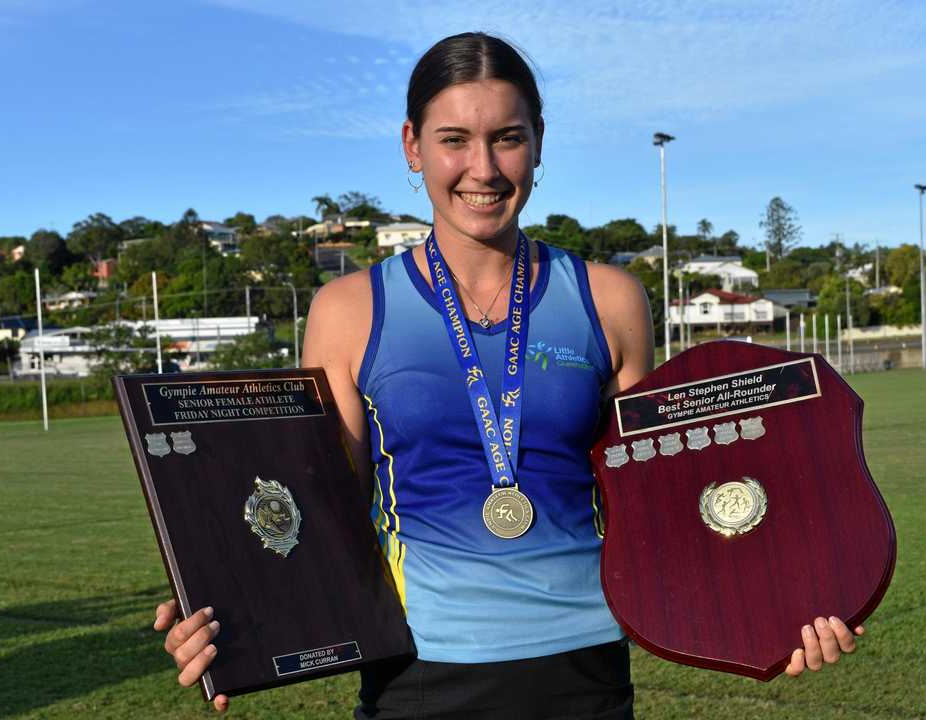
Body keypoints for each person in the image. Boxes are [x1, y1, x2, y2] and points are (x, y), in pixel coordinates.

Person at [154, 32, 864, 717]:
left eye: (508, 137)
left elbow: (659, 502)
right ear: (413, 147)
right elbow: (325, 515)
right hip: (418, 676)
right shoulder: (349, 310)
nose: (484, 169)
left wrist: (788, 599)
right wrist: (224, 604)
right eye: (454, 140)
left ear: (539, 142)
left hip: (585, 669)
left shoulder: (608, 299)